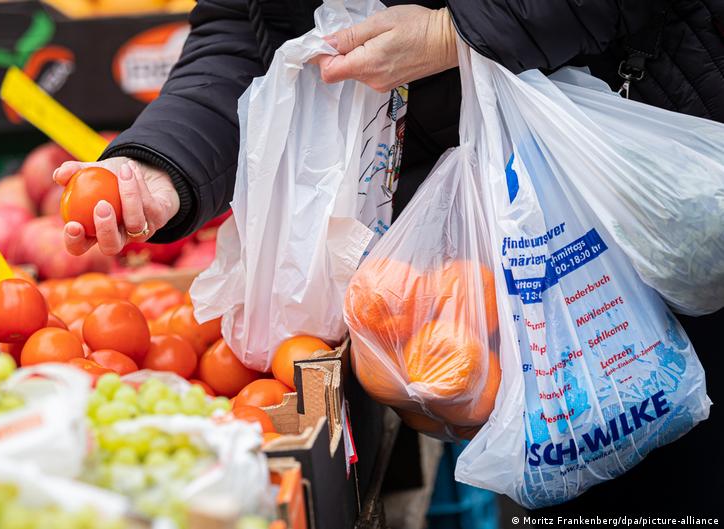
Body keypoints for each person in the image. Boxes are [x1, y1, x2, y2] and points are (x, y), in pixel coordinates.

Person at [54, 0, 724, 519]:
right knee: (567, 462)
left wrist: (455, 31)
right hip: (490, 243)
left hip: (639, 164)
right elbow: (245, 29)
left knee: (677, 459)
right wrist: (157, 165)